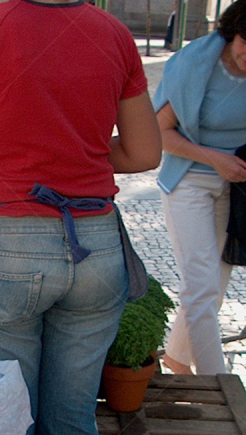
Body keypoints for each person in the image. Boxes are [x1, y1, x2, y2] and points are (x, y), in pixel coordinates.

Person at [0, 0, 162, 435]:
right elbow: (146, 152)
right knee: (71, 419)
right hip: (97, 244)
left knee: (4, 424)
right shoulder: (114, 34)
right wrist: (84, 161)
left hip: (9, 247)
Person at [152, 0, 246, 376]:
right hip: (189, 177)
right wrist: (214, 158)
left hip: (236, 186)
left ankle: (176, 358)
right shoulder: (196, 65)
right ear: (232, 31)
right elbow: (159, 133)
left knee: (214, 287)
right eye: (245, 42)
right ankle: (217, 384)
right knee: (201, 286)